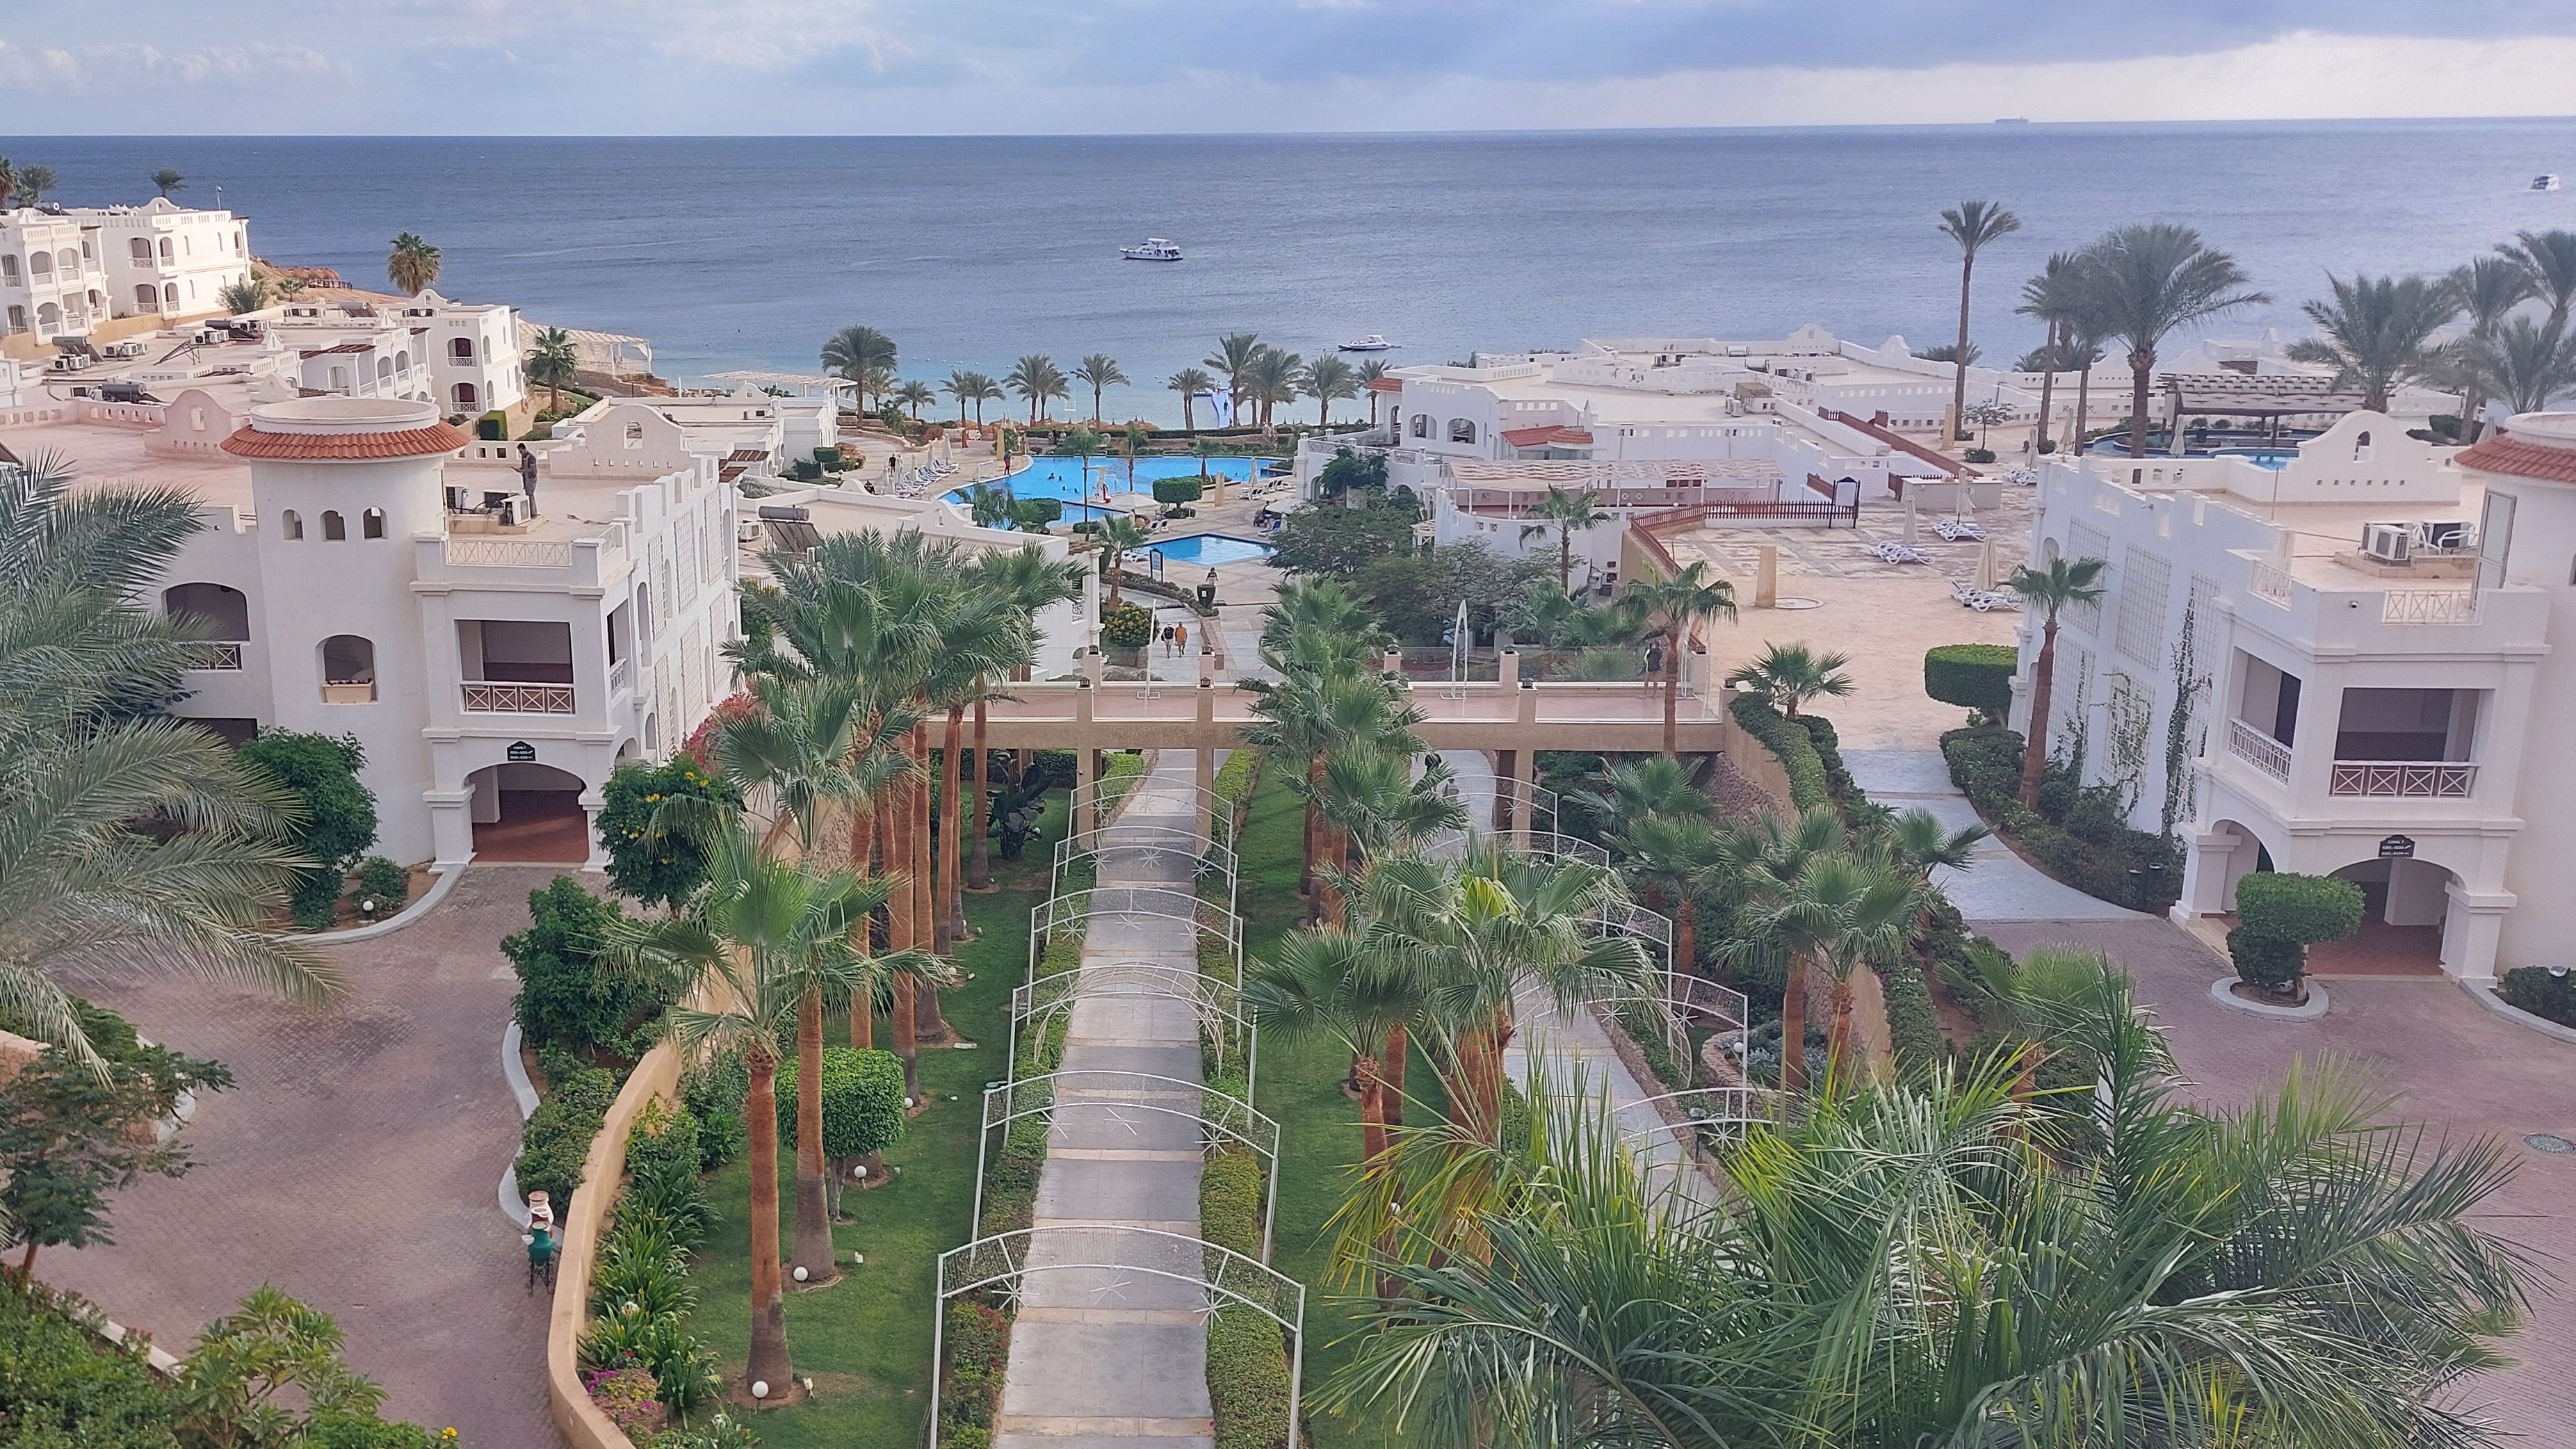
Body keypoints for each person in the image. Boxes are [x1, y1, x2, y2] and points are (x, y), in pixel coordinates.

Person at [515, 444, 539, 515]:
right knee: (527, 495)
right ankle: (530, 512)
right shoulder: (523, 457)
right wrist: (520, 469)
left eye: (521, 451)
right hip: (526, 479)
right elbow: (524, 467)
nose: (521, 453)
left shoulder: (531, 458)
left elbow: (533, 470)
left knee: (530, 495)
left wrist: (523, 470)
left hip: (531, 479)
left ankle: (533, 512)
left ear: (525, 449)